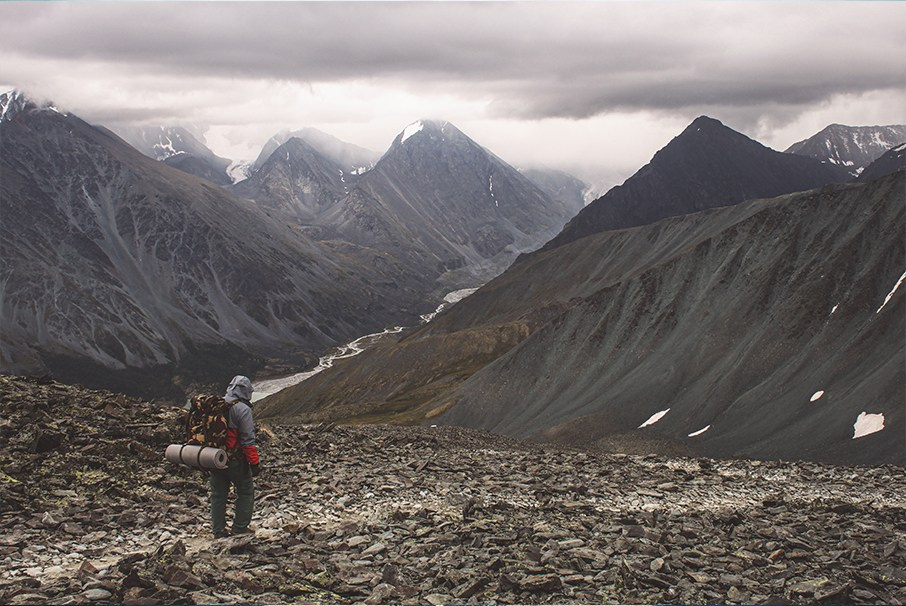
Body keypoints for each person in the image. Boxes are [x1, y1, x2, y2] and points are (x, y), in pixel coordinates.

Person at [210, 375, 260, 538]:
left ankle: (218, 530)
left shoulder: (217, 404)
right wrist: (254, 463)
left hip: (214, 457)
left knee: (218, 494)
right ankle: (239, 528)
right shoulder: (242, 409)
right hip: (235, 459)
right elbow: (247, 439)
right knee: (245, 491)